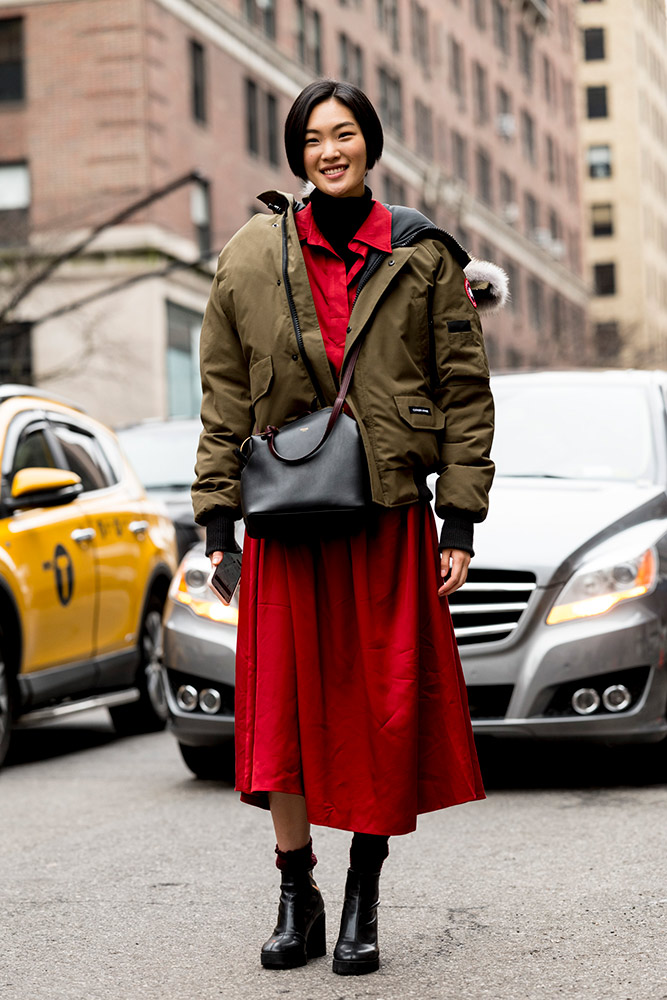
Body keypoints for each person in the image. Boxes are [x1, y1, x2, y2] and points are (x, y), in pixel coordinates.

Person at [192, 79, 506, 976]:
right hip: (285, 514)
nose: (330, 150)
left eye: (345, 134)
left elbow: (462, 393)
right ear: (297, 156)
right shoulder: (251, 255)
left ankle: (364, 892)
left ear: (370, 144)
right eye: (313, 138)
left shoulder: (422, 254)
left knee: (380, 706)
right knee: (281, 712)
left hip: (388, 511)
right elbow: (221, 393)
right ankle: (298, 889)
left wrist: (461, 519)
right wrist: (216, 517)